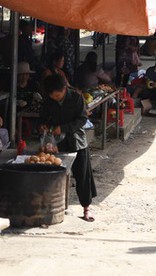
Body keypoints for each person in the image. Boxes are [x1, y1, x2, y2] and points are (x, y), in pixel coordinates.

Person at [40, 73, 97, 222]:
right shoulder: (48, 101)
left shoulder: (77, 98)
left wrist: (64, 128)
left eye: (58, 95)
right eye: (53, 96)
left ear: (64, 89)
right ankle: (54, 207)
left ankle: (86, 208)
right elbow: (43, 117)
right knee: (54, 174)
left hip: (76, 139)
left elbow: (82, 119)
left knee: (82, 175)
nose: (56, 98)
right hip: (56, 143)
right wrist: (44, 125)